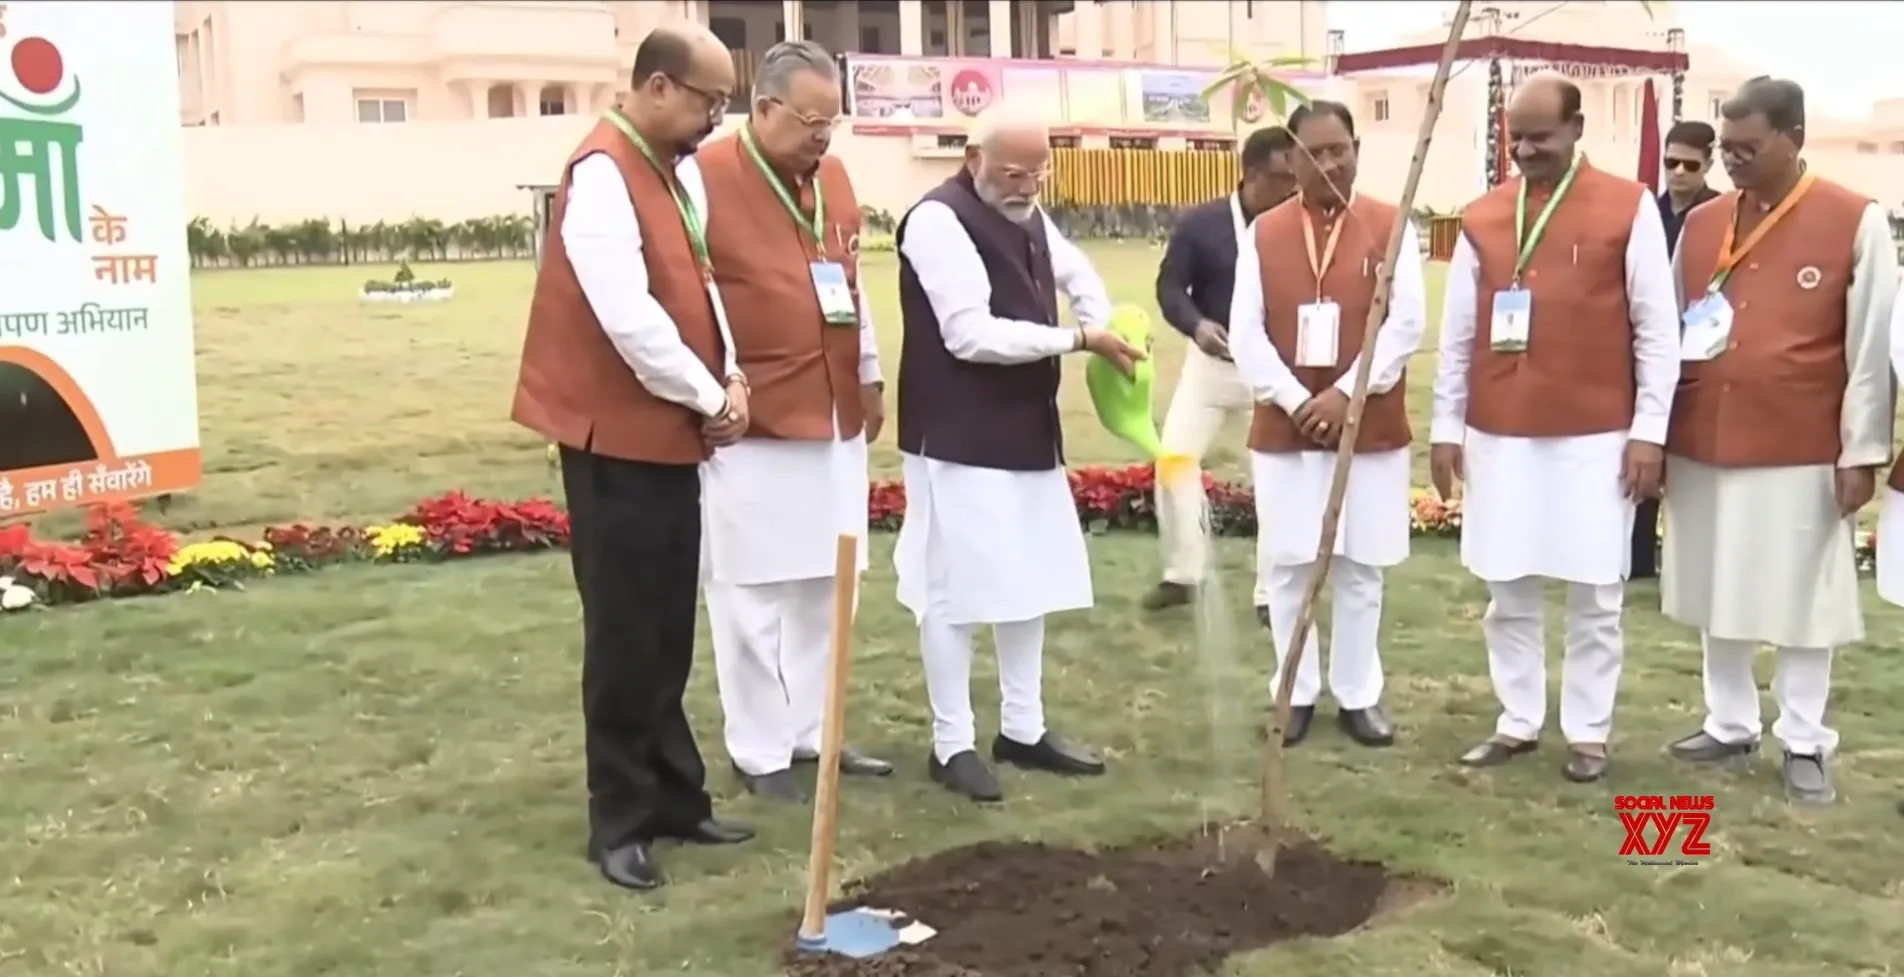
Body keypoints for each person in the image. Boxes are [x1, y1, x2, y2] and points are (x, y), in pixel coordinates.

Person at [510, 23, 754, 892]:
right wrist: (708, 395)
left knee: (666, 627)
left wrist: (728, 374)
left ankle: (675, 797)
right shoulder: (605, 172)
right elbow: (629, 316)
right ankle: (617, 818)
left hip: (667, 430)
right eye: (706, 101)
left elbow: (697, 283)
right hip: (612, 436)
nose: (715, 120)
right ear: (656, 87)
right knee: (623, 633)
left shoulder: (672, 169)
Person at [893, 104, 1146, 803]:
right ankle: (952, 743)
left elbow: (1076, 270)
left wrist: (1098, 316)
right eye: (1012, 172)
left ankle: (1023, 728)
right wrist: (1077, 341)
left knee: (1026, 577)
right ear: (973, 157)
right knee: (954, 591)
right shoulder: (937, 220)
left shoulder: (1031, 211)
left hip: (1025, 430)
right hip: (955, 436)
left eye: (1038, 172)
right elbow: (970, 334)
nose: (1027, 186)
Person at [1429, 74, 1679, 784]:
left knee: (1596, 591)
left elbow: (1655, 329)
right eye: (1518, 135)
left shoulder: (1627, 207)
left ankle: (1590, 732)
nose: (1528, 148)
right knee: (1506, 584)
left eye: (1542, 134)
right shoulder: (1482, 215)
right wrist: (1447, 425)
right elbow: (1458, 335)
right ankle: (1516, 720)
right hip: (1499, 432)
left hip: (1596, 432)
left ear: (1576, 129)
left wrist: (1649, 432)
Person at [1661, 77, 1898, 805]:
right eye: (1724, 147)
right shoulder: (1703, 225)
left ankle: (1803, 737)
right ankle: (1729, 721)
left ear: (1794, 136)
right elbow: (1674, 329)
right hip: (1706, 435)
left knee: (1803, 597)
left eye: (1746, 147)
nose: (1730, 159)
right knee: (1714, 583)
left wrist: (1861, 451)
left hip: (1803, 443)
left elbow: (1869, 350)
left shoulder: (1852, 218)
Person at [695, 42, 893, 803]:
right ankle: (759, 749)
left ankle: (816, 731)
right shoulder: (704, 175)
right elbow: (692, 296)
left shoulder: (834, 178)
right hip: (753, 416)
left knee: (829, 583)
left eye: (832, 122)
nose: (822, 136)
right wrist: (713, 387)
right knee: (751, 591)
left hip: (836, 408)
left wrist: (870, 372)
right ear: (764, 107)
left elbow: (850, 279)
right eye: (811, 120)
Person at [1227, 101, 1425, 748]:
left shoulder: (1392, 225)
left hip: (1365, 424)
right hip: (1287, 427)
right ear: (1292, 156)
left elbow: (1405, 325)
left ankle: (1358, 694)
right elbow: (1245, 332)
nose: (1331, 161)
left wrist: (1345, 395)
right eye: (1316, 151)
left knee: (1362, 566)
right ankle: (1296, 689)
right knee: (1288, 564)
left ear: (1357, 147)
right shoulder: (1265, 232)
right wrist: (1294, 400)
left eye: (1341, 148)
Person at [1145, 127, 1300, 621]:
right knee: (1173, 462)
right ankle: (1183, 573)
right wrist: (1196, 324)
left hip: (1273, 372)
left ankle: (1271, 594)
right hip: (1210, 368)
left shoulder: (1301, 225)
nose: (1293, 190)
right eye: (1282, 178)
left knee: (1276, 482)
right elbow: (1170, 287)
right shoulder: (1202, 224)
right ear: (1251, 174)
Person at [1631, 120, 1722, 579]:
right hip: (1645, 346)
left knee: (1689, 454)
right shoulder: (1645, 210)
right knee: (1644, 444)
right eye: (1671, 162)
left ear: (1709, 163)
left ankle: (1693, 558)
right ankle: (1638, 556)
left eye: (1690, 164)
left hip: (1699, 345)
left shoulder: (1722, 215)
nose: (1679, 172)